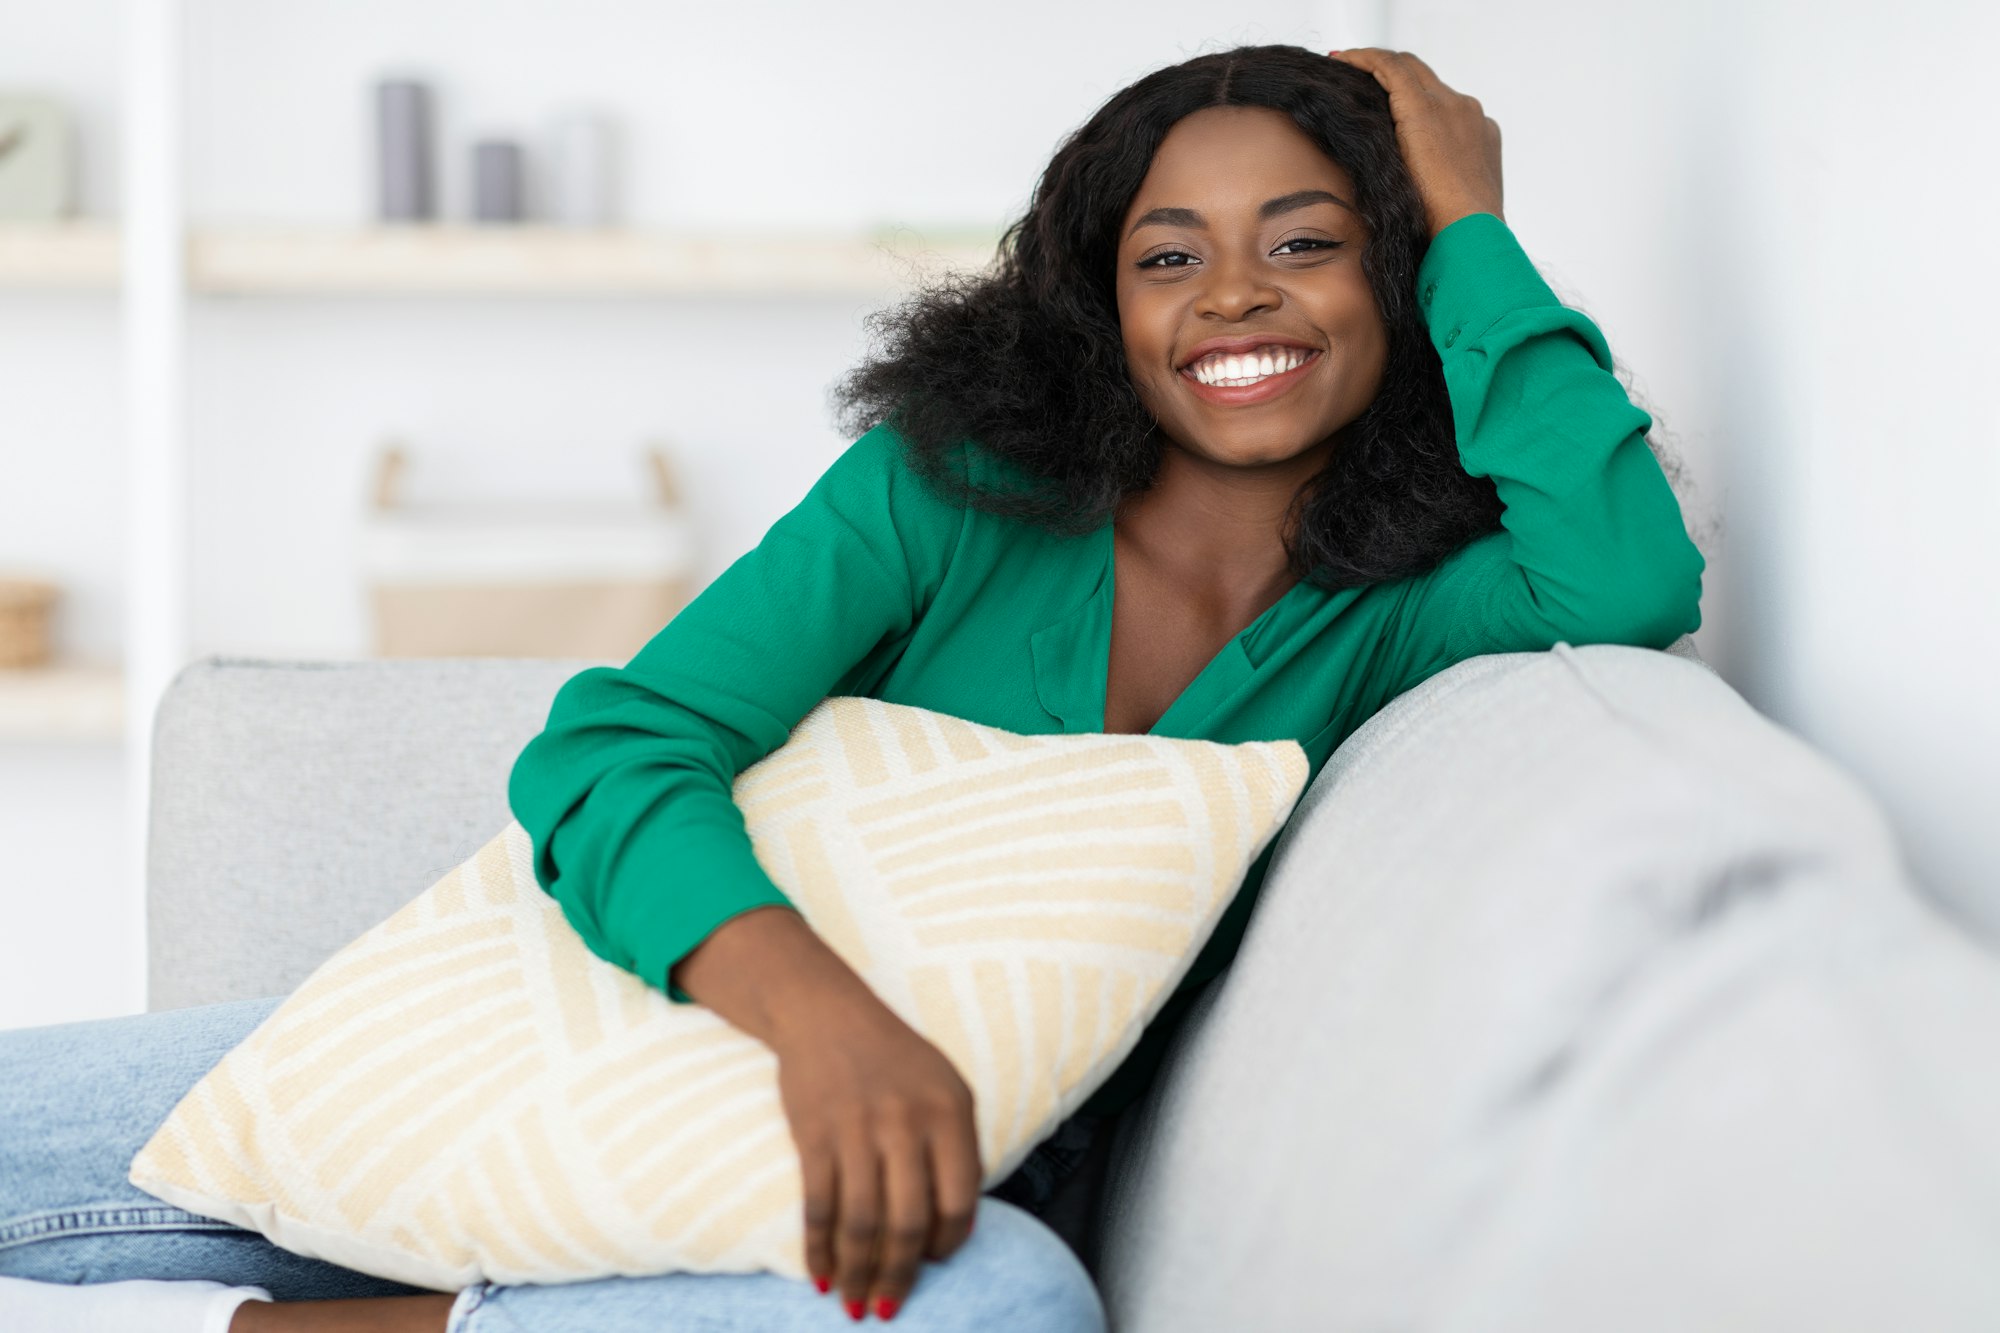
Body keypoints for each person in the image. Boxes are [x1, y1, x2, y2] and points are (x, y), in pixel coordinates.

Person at [0, 42, 1703, 1332]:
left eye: (1309, 241)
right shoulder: (943, 488)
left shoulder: (1386, 613)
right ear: (1100, 304)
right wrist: (829, 1029)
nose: (1236, 294)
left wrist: (1470, 217)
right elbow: (615, 747)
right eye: (1169, 256)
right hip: (621, 1015)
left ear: (1393, 283)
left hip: (928, 1173)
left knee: (1008, 1305)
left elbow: (1627, 578)